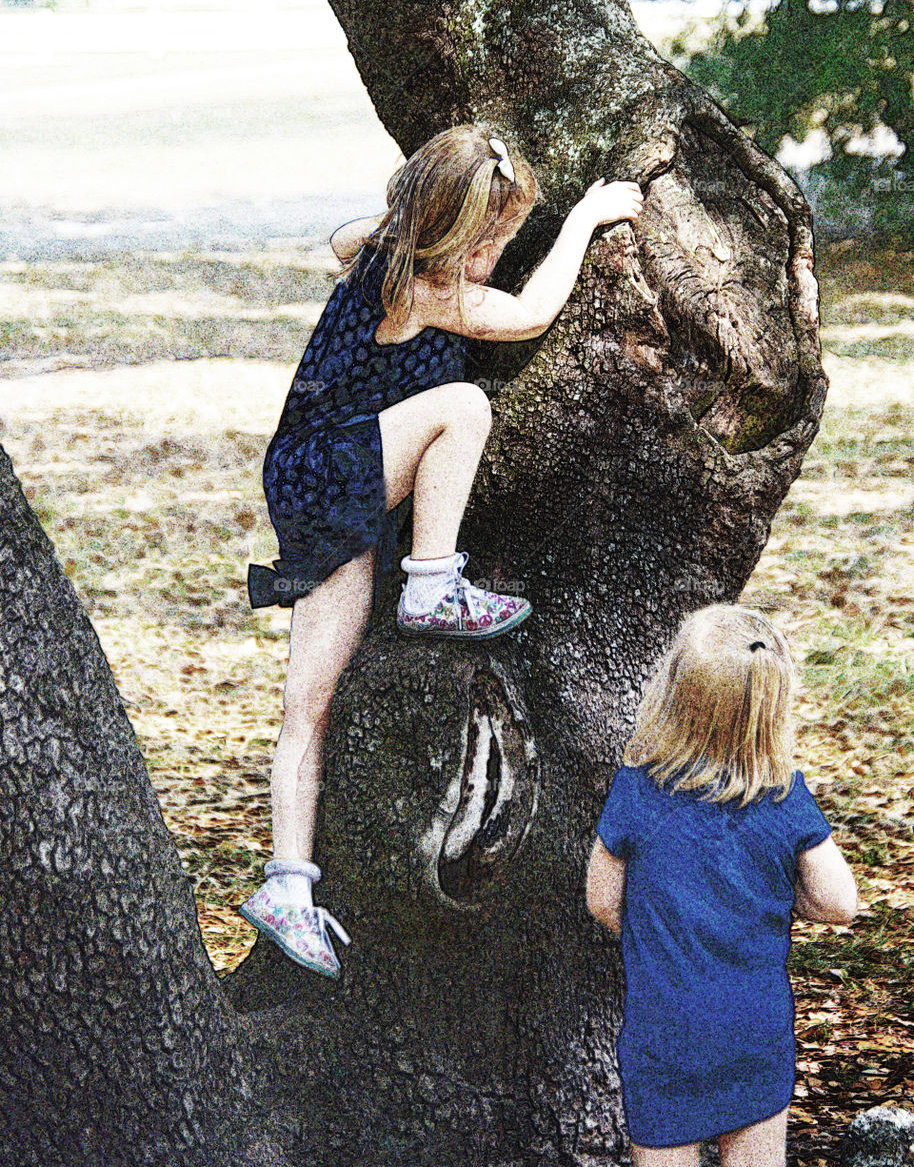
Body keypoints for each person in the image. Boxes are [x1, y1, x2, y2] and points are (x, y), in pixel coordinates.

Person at [239, 122, 645, 976]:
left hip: (320, 487)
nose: (496, 254)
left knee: (307, 700)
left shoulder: (375, 251)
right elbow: (533, 314)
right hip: (331, 470)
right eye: (488, 239)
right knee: (464, 405)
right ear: (445, 234)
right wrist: (587, 219)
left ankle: (287, 883)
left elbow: (342, 237)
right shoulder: (425, 290)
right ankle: (432, 581)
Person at [586, 604, 857, 1167]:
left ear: (675, 695)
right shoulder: (784, 797)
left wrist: (657, 931)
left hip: (666, 1033)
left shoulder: (636, 792)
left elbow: (602, 899)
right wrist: (782, 901)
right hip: (754, 1032)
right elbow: (839, 902)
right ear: (771, 709)